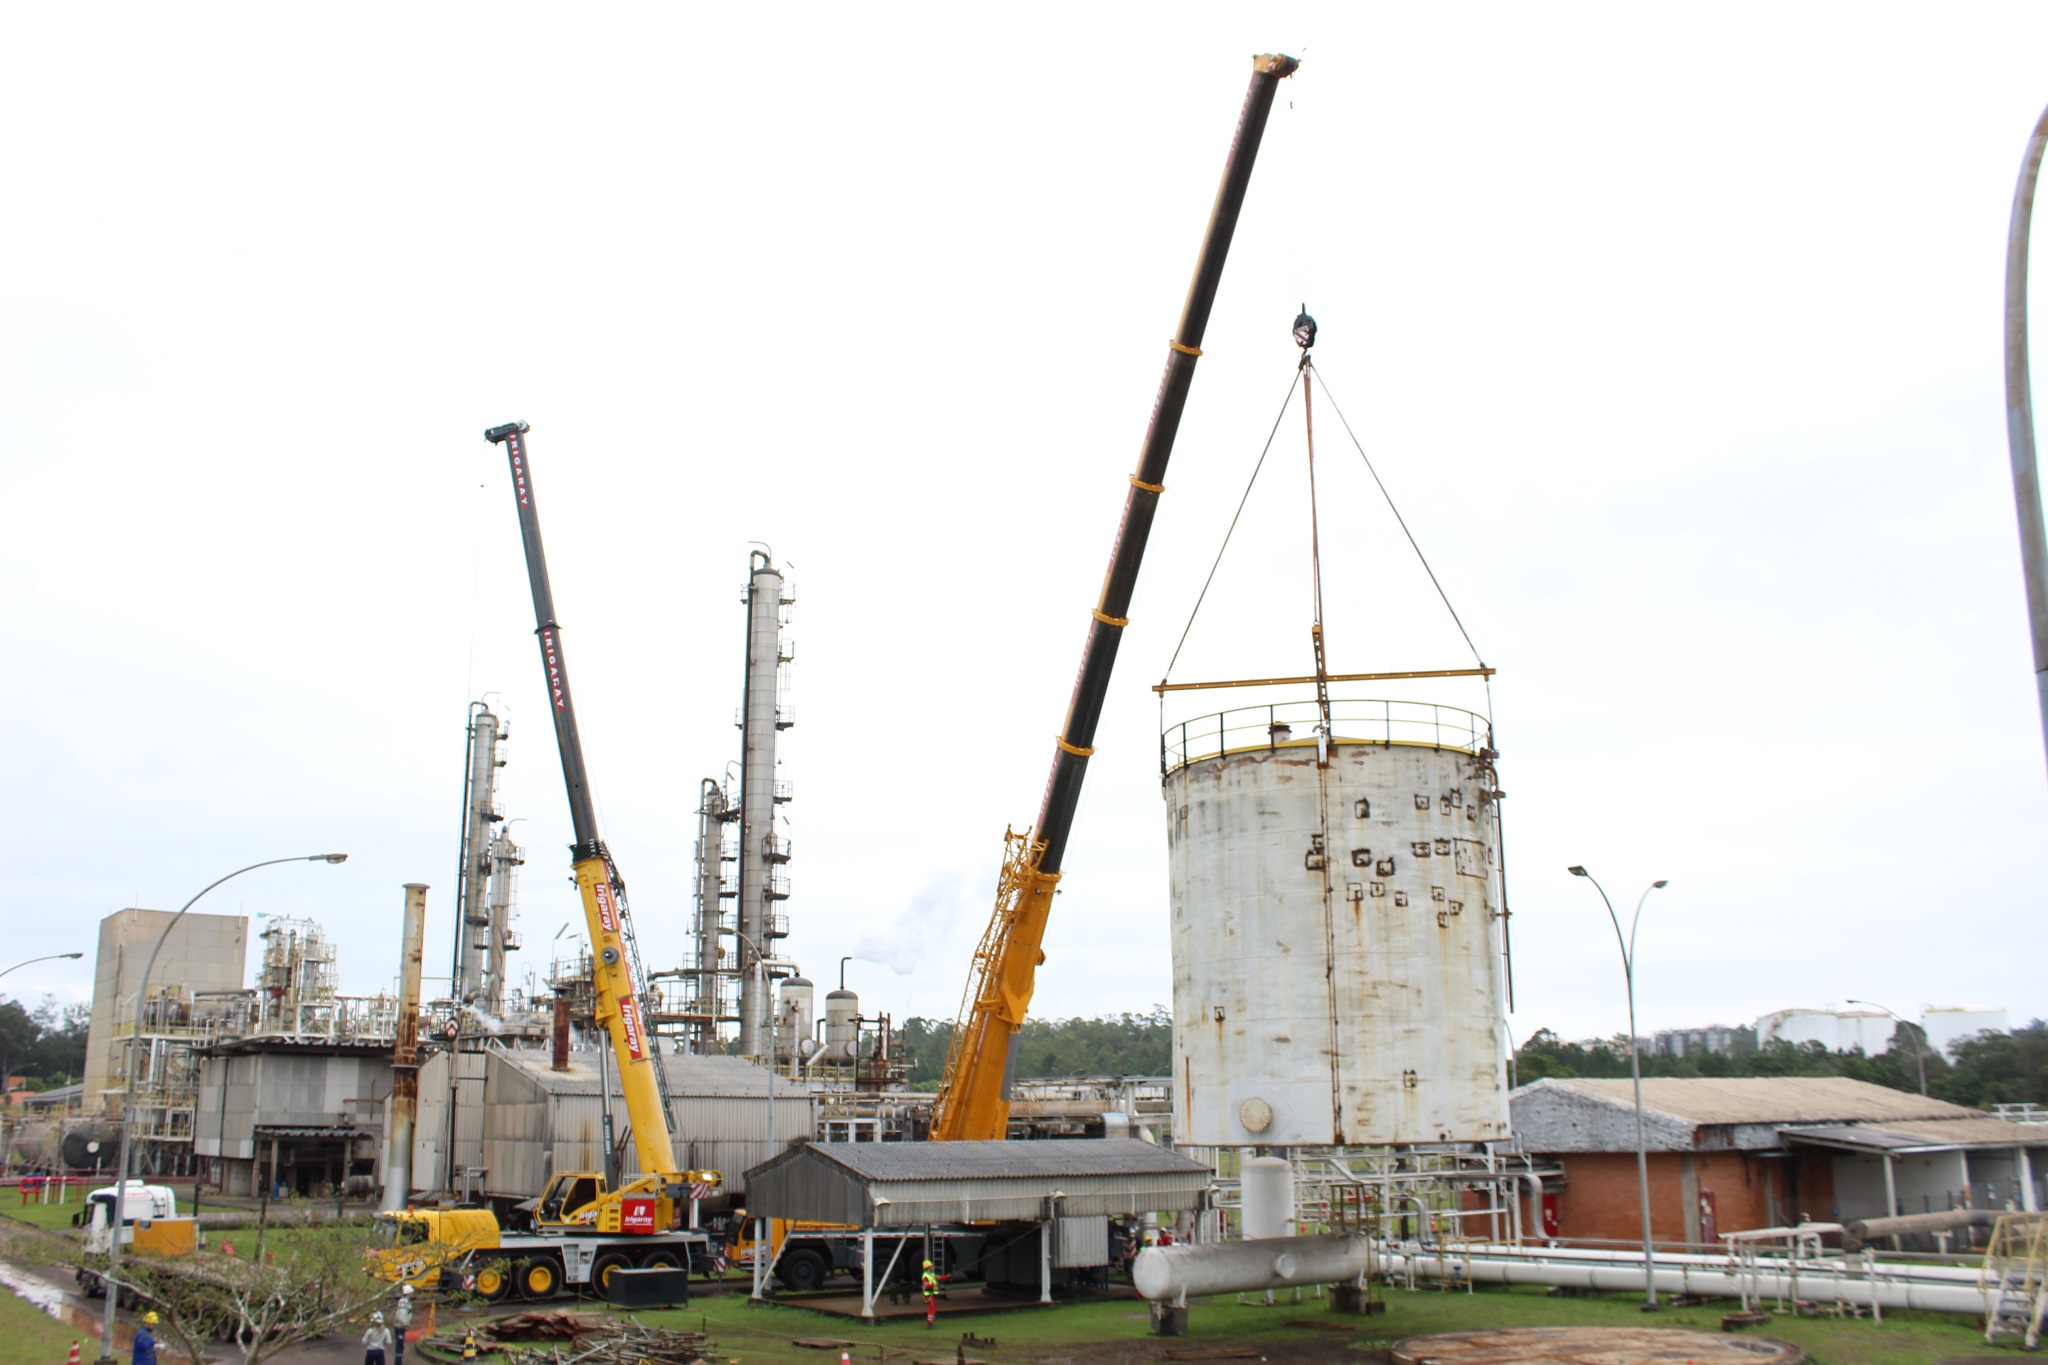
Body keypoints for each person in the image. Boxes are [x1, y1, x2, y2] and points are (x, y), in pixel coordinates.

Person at [391, 1286, 415, 1365]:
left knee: (400, 1344)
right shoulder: (404, 1303)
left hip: (400, 1326)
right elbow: (402, 1315)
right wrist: (404, 1324)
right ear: (408, 1294)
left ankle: (399, 1361)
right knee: (399, 1344)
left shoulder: (404, 1301)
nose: (412, 1295)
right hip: (400, 1326)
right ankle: (397, 1362)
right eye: (411, 1293)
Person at [920, 1260, 938, 1328]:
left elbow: (938, 1278)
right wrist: (933, 1285)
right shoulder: (925, 1276)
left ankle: (931, 1323)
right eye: (931, 1266)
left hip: (932, 1294)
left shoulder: (931, 1274)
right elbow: (926, 1285)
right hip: (929, 1295)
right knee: (931, 1309)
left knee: (933, 1309)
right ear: (928, 1267)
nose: (932, 1267)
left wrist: (947, 1277)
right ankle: (929, 1324)